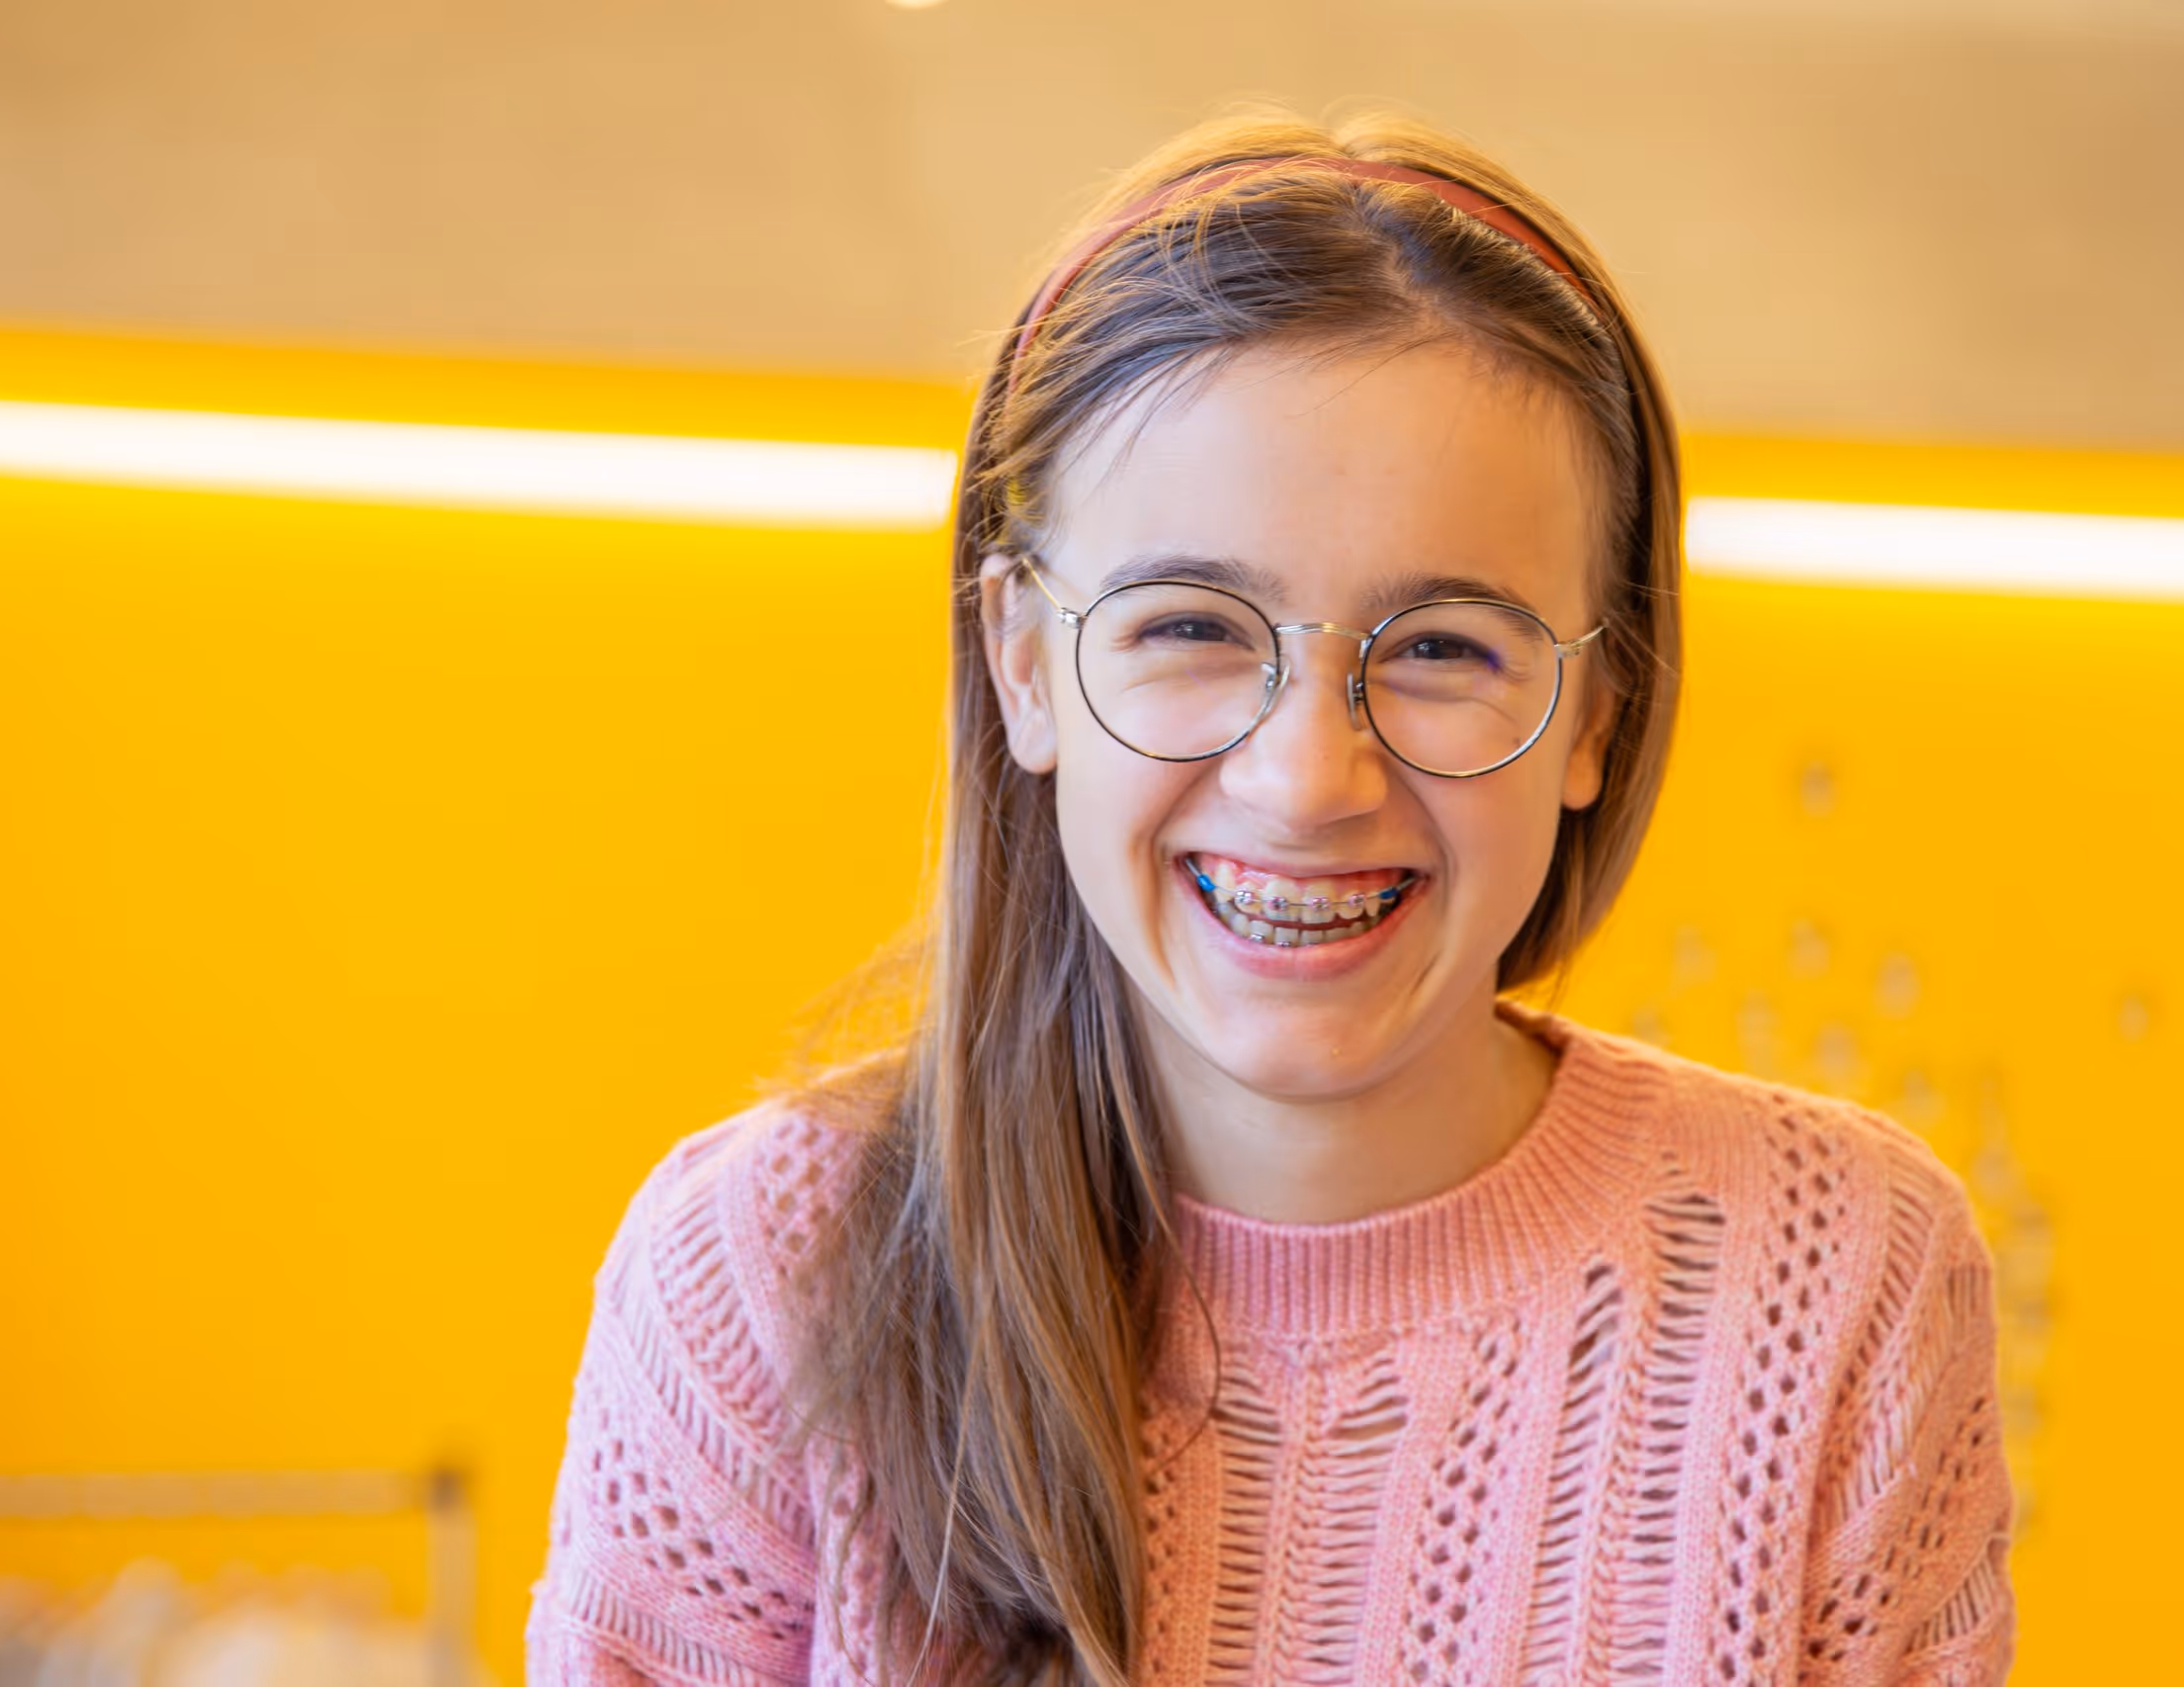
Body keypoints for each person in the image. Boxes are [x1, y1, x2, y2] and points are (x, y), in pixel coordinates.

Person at [525, 107, 2016, 1686]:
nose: (1309, 777)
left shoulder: (1843, 1275)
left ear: (1595, 712)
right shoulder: (759, 1271)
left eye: (1444, 646)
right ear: (1025, 665)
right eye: (1191, 626)